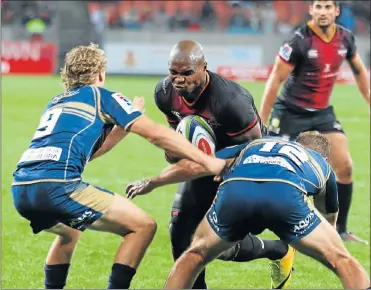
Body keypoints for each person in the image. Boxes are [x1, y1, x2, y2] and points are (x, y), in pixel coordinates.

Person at [10, 43, 226, 290]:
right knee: (143, 226)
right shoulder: (103, 96)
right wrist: (208, 160)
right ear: (100, 74)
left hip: (22, 187)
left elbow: (88, 153)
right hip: (56, 187)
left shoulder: (56, 102)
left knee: (69, 232)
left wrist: (121, 129)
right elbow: (156, 134)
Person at [126, 132, 371, 289]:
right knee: (342, 260)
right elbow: (329, 220)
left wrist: (153, 182)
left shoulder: (255, 144)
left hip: (236, 192)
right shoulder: (321, 166)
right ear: (324, 157)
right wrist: (320, 244)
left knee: (196, 254)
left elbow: (197, 164)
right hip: (284, 198)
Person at [156, 40, 295, 289]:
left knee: (220, 240)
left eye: (186, 73)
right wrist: (175, 149)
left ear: (204, 68)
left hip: (244, 166)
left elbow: (256, 149)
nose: (178, 79)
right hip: (203, 165)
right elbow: (175, 133)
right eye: (173, 72)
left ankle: (278, 249)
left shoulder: (231, 102)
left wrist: (222, 166)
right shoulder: (164, 93)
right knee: (180, 231)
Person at [259, 0, 370, 242]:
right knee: (271, 169)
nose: (322, 12)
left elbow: (360, 71)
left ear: (336, 11)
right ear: (311, 10)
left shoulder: (345, 39)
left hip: (321, 112)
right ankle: (251, 222)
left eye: (327, 7)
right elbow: (275, 79)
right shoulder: (298, 40)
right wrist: (260, 122)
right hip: (289, 111)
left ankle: (339, 230)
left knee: (345, 167)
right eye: (318, 7)